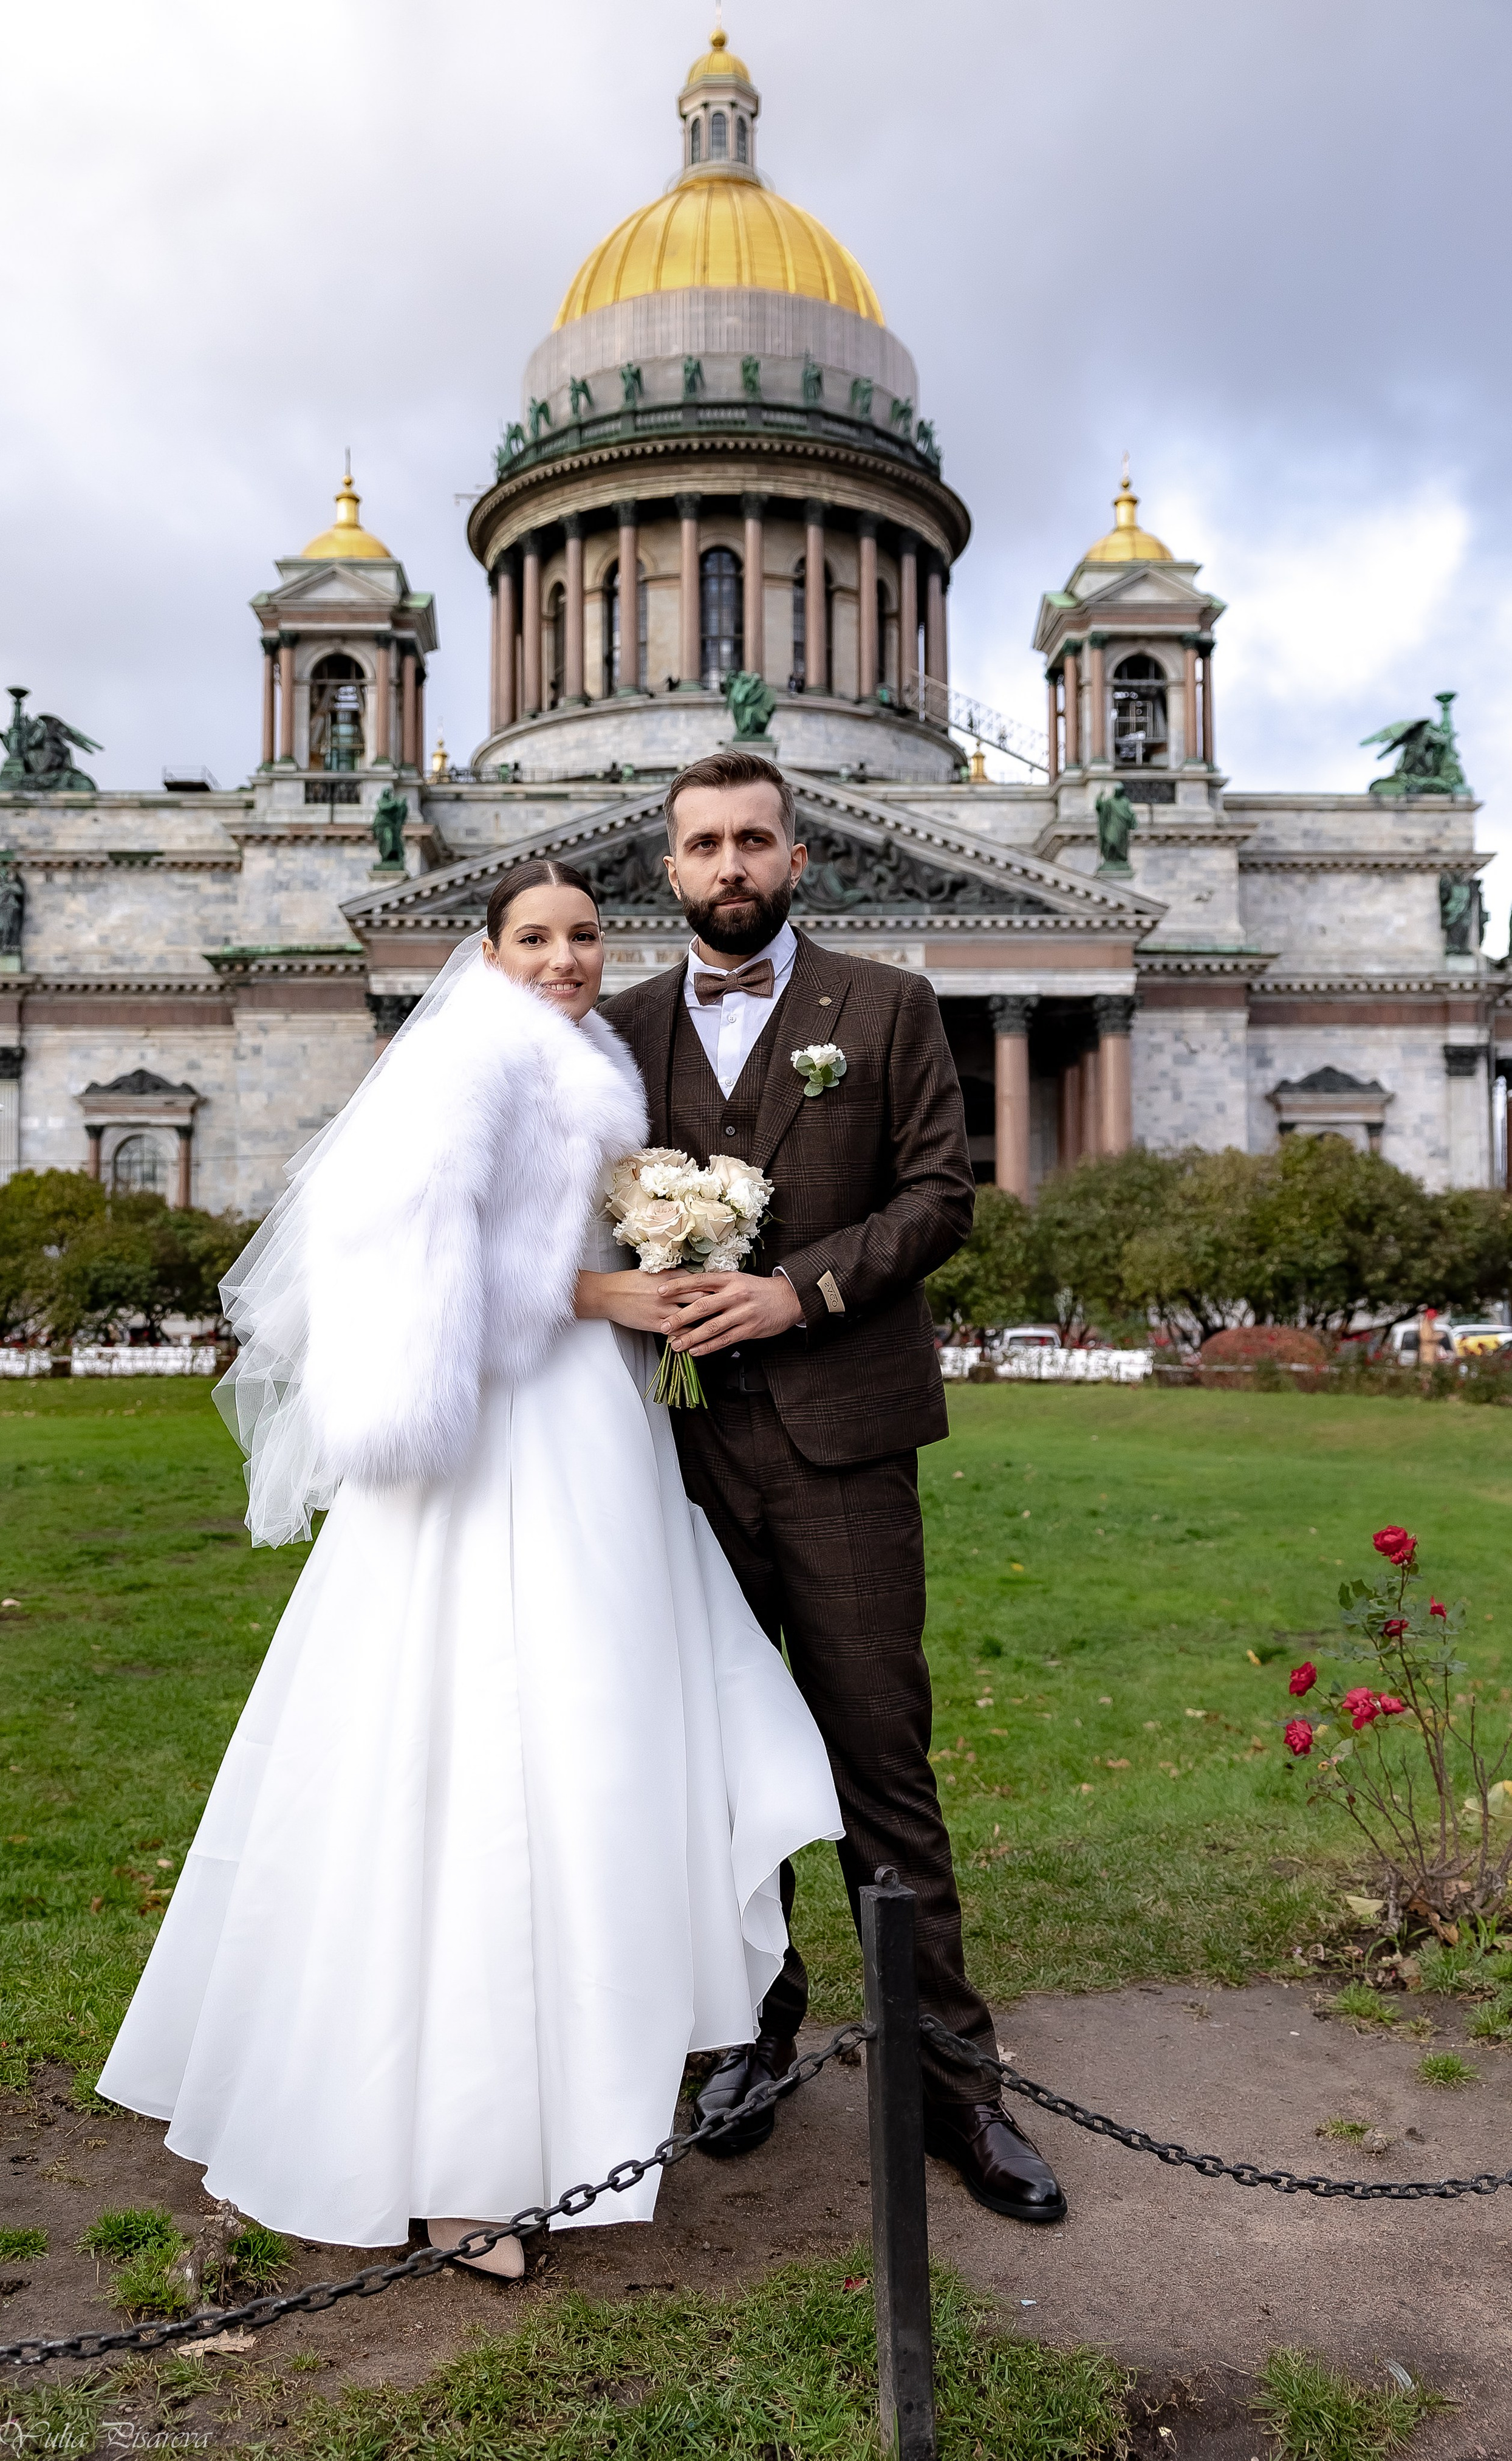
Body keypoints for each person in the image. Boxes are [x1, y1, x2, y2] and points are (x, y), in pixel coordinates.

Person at [97, 859, 842, 2277]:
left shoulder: (580, 1061)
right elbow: (412, 1263)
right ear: (487, 954)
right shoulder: (469, 1064)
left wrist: (646, 1265)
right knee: (491, 1760)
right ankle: (457, 2164)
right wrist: (607, 1287)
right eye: (535, 938)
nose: (565, 959)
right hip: (502, 1441)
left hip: (589, 1432)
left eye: (584, 936)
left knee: (586, 1752)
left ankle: (552, 2095)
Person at [606, 752, 1066, 2225]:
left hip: (843, 1444)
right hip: (669, 1453)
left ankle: (953, 2089)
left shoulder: (884, 1004)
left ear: (796, 859)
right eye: (702, 846)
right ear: (668, 869)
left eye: (753, 841)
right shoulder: (612, 1029)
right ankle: (750, 2036)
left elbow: (939, 1195)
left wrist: (791, 1292)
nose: (729, 866)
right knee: (714, 1771)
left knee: (880, 1764)